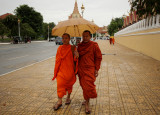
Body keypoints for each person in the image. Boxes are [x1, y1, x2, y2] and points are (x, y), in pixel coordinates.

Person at [78, 30, 102, 114]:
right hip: (81, 69)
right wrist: (75, 51)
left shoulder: (94, 45)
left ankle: (87, 104)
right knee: (84, 86)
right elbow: (77, 57)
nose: (84, 38)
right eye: (83, 36)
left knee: (88, 86)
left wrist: (96, 69)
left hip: (90, 69)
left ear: (90, 37)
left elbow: (98, 58)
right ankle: (86, 99)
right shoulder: (79, 46)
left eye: (86, 36)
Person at [52, 33, 78, 111]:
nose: (64, 40)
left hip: (70, 70)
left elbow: (76, 60)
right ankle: (59, 101)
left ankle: (68, 97)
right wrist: (56, 70)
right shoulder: (59, 48)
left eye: (66, 38)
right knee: (60, 84)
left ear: (69, 39)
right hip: (61, 71)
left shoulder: (73, 48)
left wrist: (76, 56)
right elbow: (57, 60)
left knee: (69, 85)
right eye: (63, 38)